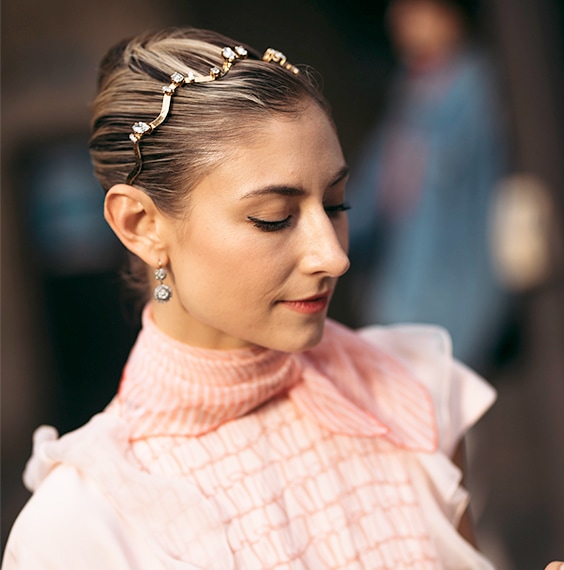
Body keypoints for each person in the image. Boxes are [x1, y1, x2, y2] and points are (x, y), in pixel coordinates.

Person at [2, 27, 499, 569]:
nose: (333, 256)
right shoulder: (84, 527)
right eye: (274, 219)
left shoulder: (411, 391)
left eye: (336, 205)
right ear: (141, 224)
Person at [348, 0, 509, 369]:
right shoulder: (410, 91)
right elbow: (370, 200)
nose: (400, 20)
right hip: (405, 298)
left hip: (458, 302)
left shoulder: (475, 89)